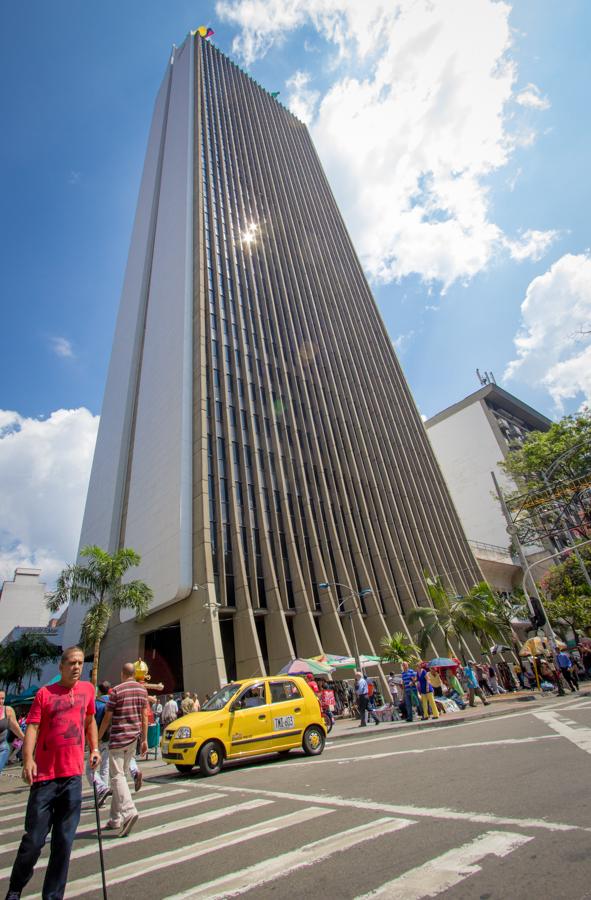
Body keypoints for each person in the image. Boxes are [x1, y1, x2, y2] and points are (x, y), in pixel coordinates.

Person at [5, 646, 100, 900]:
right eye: (71, 662)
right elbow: (33, 728)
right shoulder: (44, 694)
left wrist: (95, 748)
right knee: (33, 841)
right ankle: (15, 888)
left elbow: (89, 720)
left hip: (72, 778)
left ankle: (53, 896)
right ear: (61, 666)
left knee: (63, 843)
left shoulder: (88, 690)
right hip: (45, 778)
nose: (77, 667)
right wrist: (28, 760)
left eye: (80, 662)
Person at [98, 662, 148, 837]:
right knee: (121, 776)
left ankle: (129, 811)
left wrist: (97, 737)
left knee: (117, 776)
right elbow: (144, 717)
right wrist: (145, 740)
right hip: (133, 739)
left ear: (122, 673)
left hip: (118, 739)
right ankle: (115, 819)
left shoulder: (116, 691)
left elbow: (107, 718)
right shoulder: (142, 691)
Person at [0, 689, 25, 775]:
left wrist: (26, 740)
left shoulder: (8, 711)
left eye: (2, 698)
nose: (1, 701)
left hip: (2, 748)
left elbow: (15, 728)